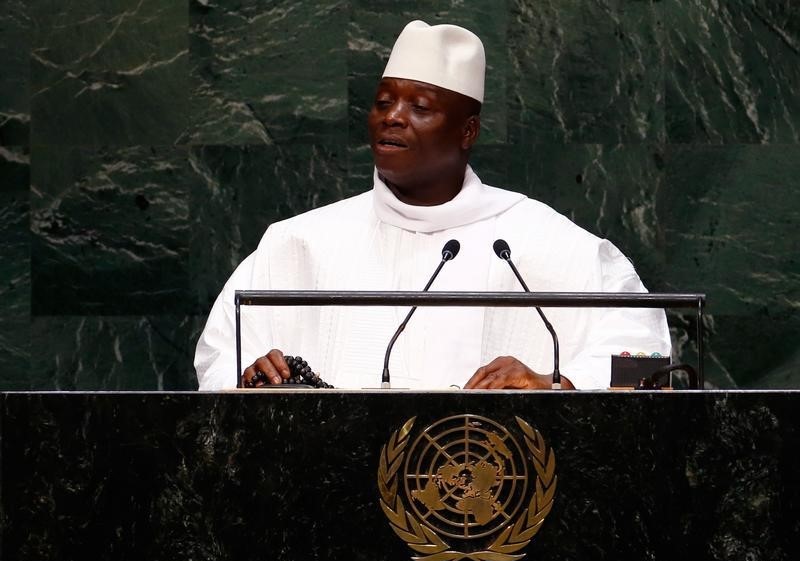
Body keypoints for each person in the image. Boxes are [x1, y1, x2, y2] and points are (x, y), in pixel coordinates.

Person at [195, 20, 671, 391]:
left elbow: (651, 367)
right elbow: (217, 360)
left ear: (467, 132)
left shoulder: (543, 242)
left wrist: (558, 383)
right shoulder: (299, 244)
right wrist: (249, 381)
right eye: (383, 103)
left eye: (420, 107)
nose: (394, 118)